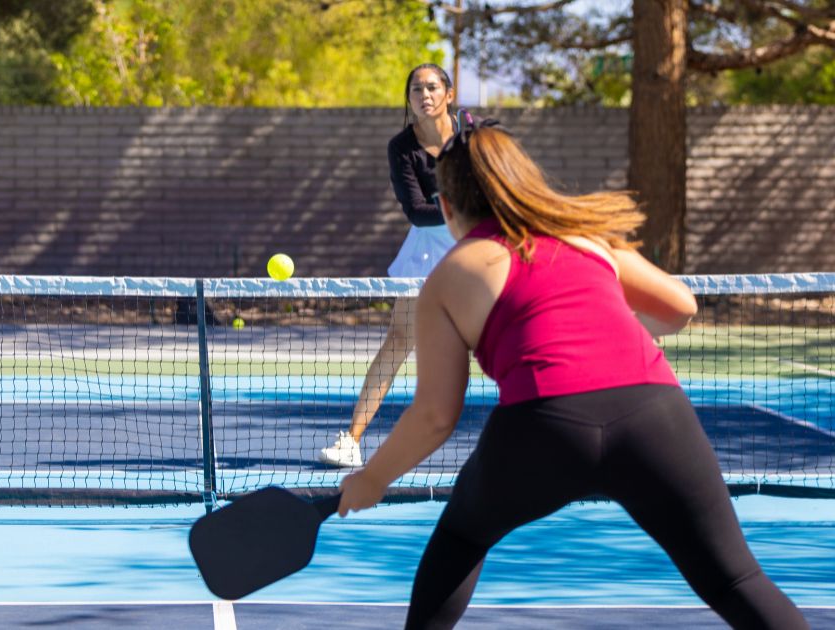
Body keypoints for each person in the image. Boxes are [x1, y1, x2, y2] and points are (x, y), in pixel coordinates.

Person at [336, 119, 808, 629]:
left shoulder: (449, 276)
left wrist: (373, 479)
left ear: (446, 208)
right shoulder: (586, 238)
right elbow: (679, 307)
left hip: (544, 425)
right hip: (655, 415)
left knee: (462, 539)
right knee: (734, 580)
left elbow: (435, 416)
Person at [319, 63, 460, 467]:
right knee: (399, 340)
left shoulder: (472, 135)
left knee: (502, 340)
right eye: (416, 89)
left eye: (432, 87)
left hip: (478, 248)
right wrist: (464, 209)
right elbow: (416, 211)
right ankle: (351, 440)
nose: (424, 95)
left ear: (448, 93)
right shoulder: (402, 147)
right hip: (427, 252)